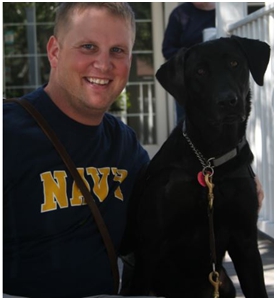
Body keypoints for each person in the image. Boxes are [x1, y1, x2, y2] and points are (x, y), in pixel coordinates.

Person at [3, 3, 149, 298]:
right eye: (88, 46)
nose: (104, 64)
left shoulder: (125, 145)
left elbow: (169, 207)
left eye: (117, 51)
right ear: (55, 52)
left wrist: (228, 179)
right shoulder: (8, 134)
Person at [162, 2, 216, 123]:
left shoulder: (226, 12)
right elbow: (167, 50)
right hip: (188, 85)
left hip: (220, 83)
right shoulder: (180, 14)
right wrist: (192, 56)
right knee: (187, 128)